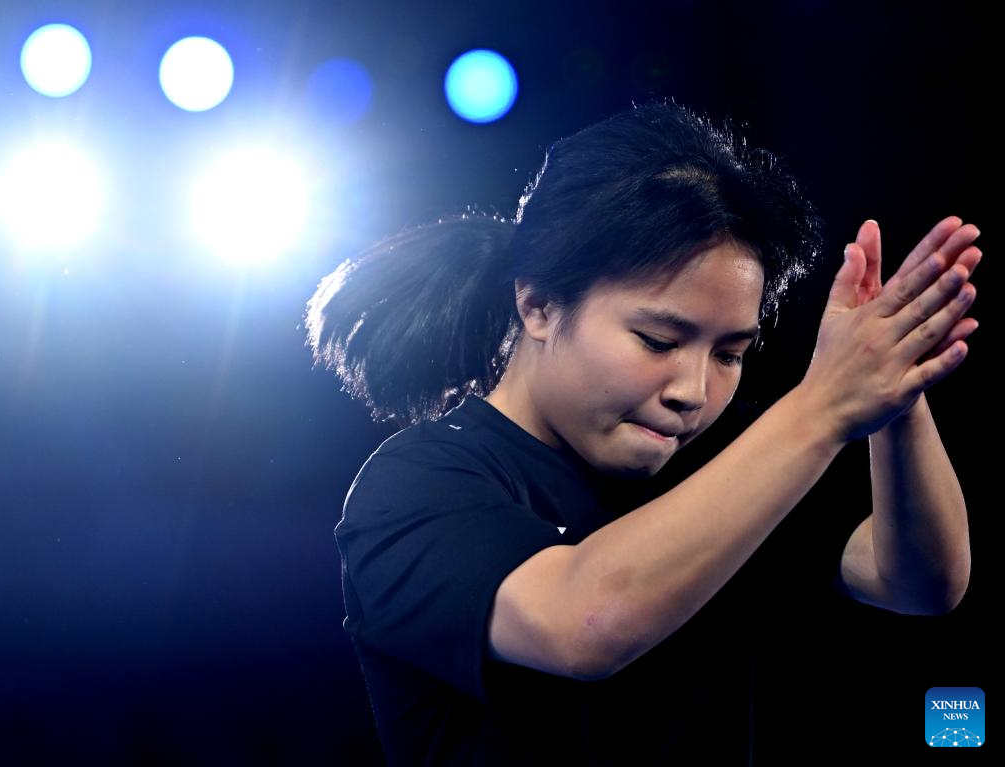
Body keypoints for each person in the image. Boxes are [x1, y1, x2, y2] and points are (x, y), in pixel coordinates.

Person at [303, 98, 978, 765]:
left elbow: (918, 583)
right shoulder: (419, 483)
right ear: (539, 305)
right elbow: (584, 623)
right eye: (658, 341)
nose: (694, 391)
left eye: (729, 354)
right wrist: (823, 407)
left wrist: (893, 388)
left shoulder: (735, 453)